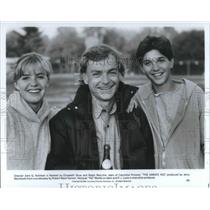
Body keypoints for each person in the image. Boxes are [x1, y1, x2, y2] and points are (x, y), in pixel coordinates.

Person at [46, 44, 154, 170]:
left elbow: (150, 164)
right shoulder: (63, 122)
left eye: (111, 72)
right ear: (85, 78)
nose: (106, 81)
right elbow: (58, 173)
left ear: (119, 75)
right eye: (97, 74)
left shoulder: (138, 113)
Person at [127, 36, 204, 169]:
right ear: (142, 68)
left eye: (161, 60)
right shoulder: (139, 97)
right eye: (148, 63)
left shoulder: (195, 93)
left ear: (171, 62)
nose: (155, 68)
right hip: (159, 182)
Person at [7, 52, 57, 170]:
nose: (34, 83)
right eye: (25, 78)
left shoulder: (55, 118)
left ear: (48, 82)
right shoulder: (5, 117)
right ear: (16, 84)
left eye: (40, 77)